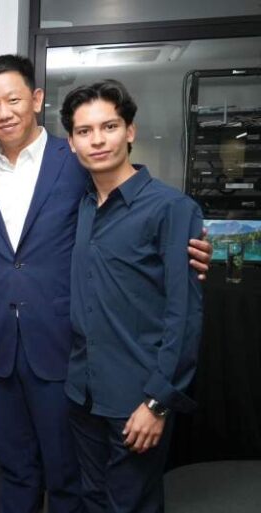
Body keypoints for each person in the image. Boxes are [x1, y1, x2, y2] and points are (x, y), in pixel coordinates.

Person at [0, 55, 212, 513]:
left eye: (13, 99)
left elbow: (131, 206)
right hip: (2, 345)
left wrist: (184, 246)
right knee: (17, 467)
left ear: (36, 99)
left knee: (71, 478)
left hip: (66, 348)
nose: (4, 112)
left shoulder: (75, 159)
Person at [60, 80, 203, 513]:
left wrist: (158, 402)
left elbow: (184, 315)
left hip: (137, 396)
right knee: (92, 499)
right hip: (83, 391)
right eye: (84, 131)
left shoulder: (171, 209)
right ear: (72, 143)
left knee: (131, 505)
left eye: (109, 126)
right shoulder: (83, 207)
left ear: (130, 131)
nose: (98, 140)